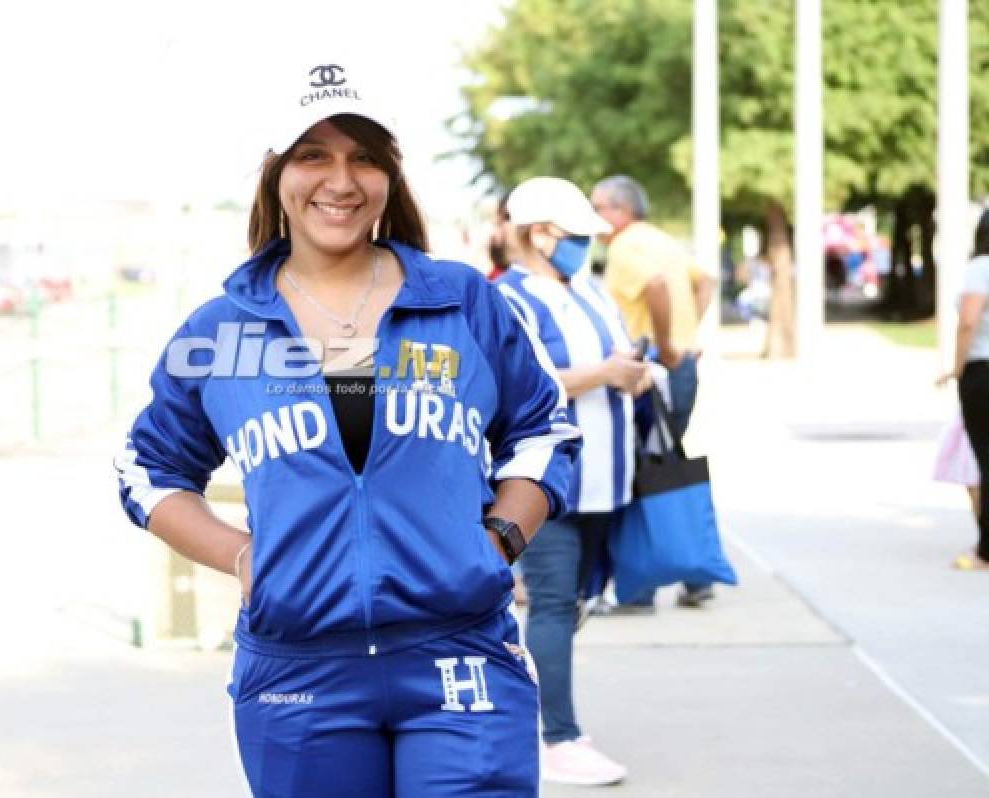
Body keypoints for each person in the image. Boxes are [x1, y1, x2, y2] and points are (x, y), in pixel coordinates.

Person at [114, 59, 582, 797]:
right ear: (276, 176)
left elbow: (544, 429)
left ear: (390, 176)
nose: (341, 179)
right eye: (313, 155)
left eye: (364, 156)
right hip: (299, 674)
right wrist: (242, 558)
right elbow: (146, 469)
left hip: (458, 655)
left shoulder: (460, 302)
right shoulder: (222, 330)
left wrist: (499, 539)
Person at [496, 176, 650, 787]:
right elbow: (523, 383)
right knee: (554, 604)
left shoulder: (586, 291)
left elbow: (617, 359)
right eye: (578, 235)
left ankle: (545, 723)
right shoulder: (509, 298)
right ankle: (555, 736)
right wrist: (605, 373)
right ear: (541, 234)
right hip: (551, 482)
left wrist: (635, 373)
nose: (587, 246)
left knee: (577, 600)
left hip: (609, 480)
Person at [590, 174, 717, 611]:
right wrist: (686, 333)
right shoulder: (661, 240)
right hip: (679, 369)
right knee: (667, 467)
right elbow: (707, 283)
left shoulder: (625, 247)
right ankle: (696, 574)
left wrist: (666, 345)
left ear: (619, 211)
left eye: (597, 207)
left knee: (640, 472)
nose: (593, 218)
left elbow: (657, 288)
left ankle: (639, 587)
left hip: (654, 371)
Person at [937, 207, 989, 571]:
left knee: (985, 460)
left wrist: (957, 368)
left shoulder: (980, 268)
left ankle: (986, 551)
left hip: (983, 370)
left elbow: (969, 321)